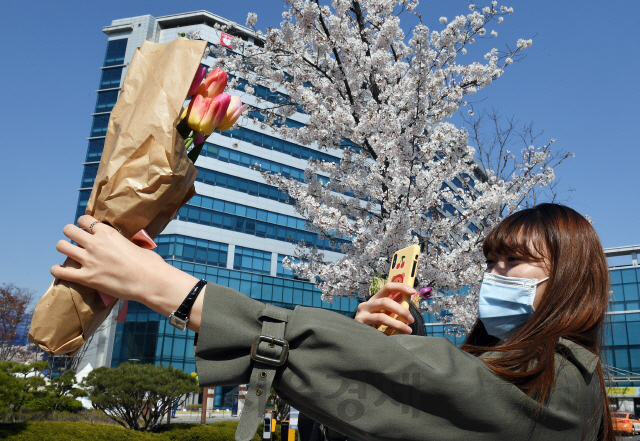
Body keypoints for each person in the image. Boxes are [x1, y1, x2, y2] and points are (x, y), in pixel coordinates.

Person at [52, 203, 613, 440]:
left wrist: (166, 287)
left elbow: (450, 387)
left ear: (569, 277)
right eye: (491, 261)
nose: (495, 274)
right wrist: (376, 345)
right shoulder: (495, 367)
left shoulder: (566, 385)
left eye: (514, 261)